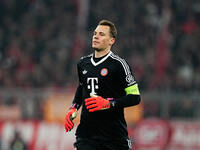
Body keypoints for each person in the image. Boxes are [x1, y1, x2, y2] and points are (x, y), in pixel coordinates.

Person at [65, 19, 141, 150]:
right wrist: (73, 108)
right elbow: (82, 87)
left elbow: (135, 97)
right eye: (95, 33)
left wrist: (108, 103)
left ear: (112, 40)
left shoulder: (119, 65)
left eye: (101, 34)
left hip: (114, 137)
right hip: (87, 136)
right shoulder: (83, 63)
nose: (96, 36)